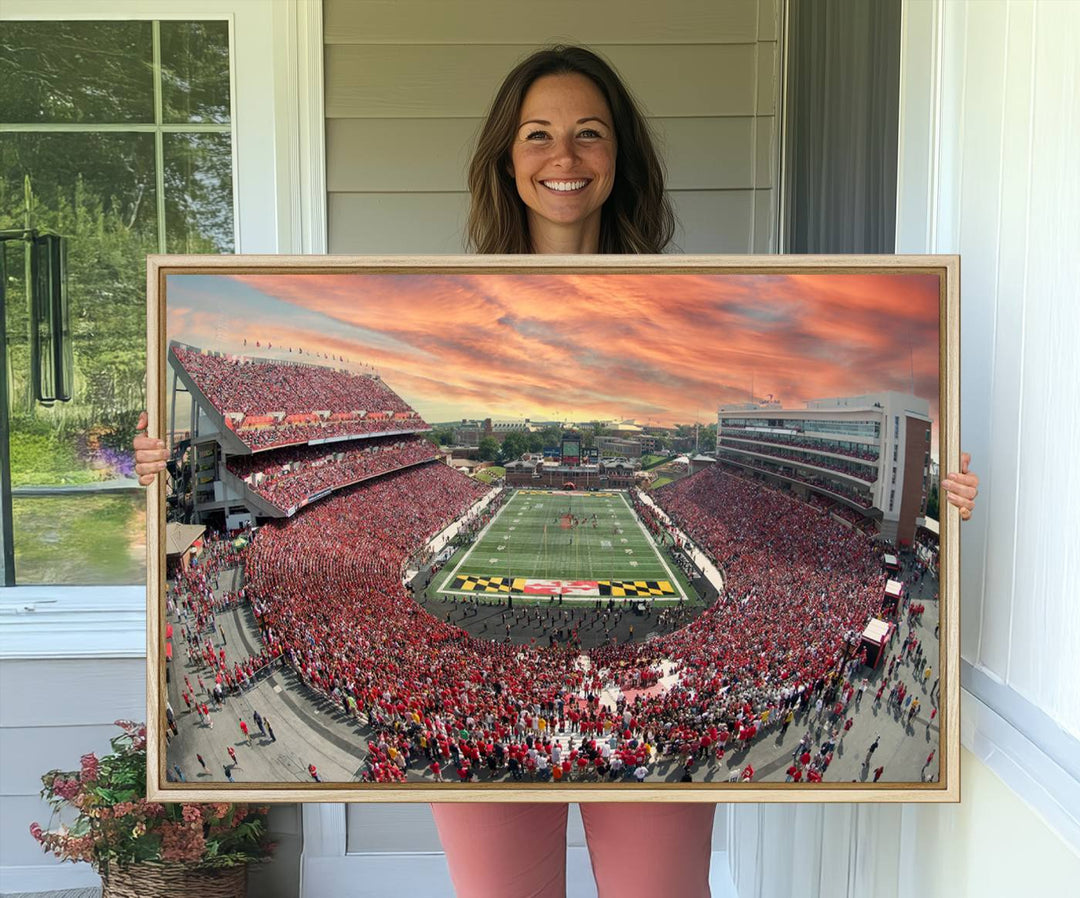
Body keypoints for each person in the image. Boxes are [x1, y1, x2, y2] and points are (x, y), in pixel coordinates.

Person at [133, 43, 980, 898]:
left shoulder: (681, 294)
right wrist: (164, 464)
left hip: (634, 748)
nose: (563, 157)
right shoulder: (454, 293)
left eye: (589, 134)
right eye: (537, 134)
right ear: (507, 157)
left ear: (620, 158)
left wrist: (936, 494)